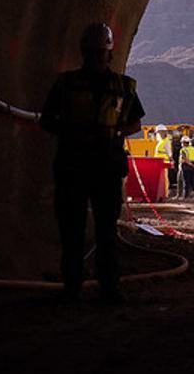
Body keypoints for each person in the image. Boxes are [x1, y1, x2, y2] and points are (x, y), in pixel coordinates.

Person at [39, 22, 145, 303]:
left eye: (100, 53)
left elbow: (135, 123)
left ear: (107, 54)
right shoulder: (73, 84)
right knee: (75, 229)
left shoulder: (118, 86)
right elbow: (47, 120)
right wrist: (78, 131)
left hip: (94, 166)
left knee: (104, 230)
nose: (97, 59)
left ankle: (103, 288)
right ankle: (79, 287)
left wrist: (114, 132)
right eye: (93, 53)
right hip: (82, 166)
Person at [152, 124, 174, 196]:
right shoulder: (161, 142)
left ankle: (165, 193)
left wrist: (171, 159)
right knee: (161, 179)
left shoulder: (166, 141)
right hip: (159, 163)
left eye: (161, 132)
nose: (159, 134)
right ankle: (162, 193)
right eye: (159, 132)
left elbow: (169, 153)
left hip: (163, 163)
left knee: (164, 179)